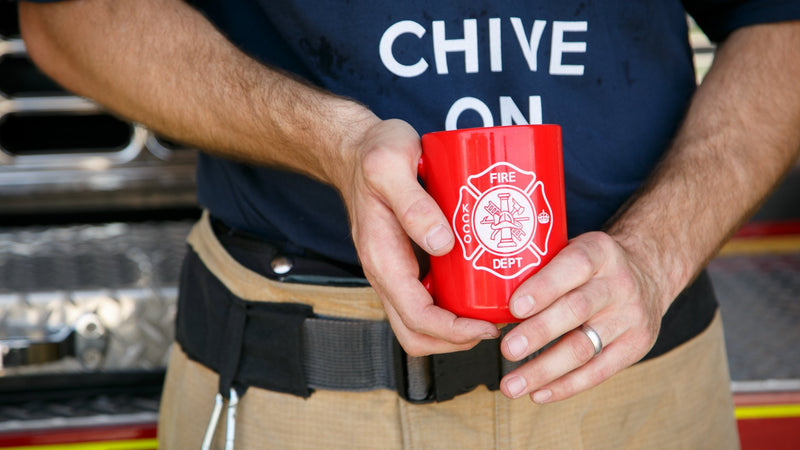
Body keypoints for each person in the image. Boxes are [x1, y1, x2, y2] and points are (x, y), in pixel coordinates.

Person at [18, 0, 800, 448]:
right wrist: (329, 140)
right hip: (300, 394)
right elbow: (70, 17)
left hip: (640, 385)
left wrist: (656, 253)